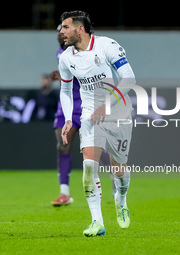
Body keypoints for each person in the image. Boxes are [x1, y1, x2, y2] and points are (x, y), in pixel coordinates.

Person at [58, 11, 136, 236]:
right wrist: (68, 118)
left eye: (65, 27)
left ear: (79, 29)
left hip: (117, 110)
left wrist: (108, 105)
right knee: (89, 166)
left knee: (118, 169)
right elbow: (65, 89)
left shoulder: (106, 46)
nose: (61, 32)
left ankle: (120, 201)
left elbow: (129, 78)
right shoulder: (66, 58)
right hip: (90, 114)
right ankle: (97, 222)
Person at [50, 25, 82, 206]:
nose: (60, 35)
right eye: (59, 32)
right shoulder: (59, 53)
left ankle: (118, 179)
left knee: (96, 150)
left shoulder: (85, 51)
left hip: (85, 103)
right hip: (65, 105)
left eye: (64, 32)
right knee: (62, 146)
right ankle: (64, 193)